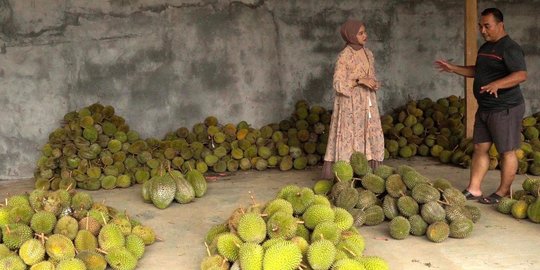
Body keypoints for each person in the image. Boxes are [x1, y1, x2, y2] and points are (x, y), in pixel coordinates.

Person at [435, 8, 527, 204]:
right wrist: (453, 68)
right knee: (479, 147)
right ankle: (474, 189)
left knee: (506, 151)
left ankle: (502, 192)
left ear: (500, 25)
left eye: (487, 26)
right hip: (485, 107)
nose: (483, 31)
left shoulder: (510, 48)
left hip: (505, 108)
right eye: (480, 26)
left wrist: (497, 84)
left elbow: (521, 75)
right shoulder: (485, 48)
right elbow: (477, 71)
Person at [322, 19, 385, 179]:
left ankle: (368, 175)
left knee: (369, 133)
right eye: (360, 33)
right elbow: (337, 84)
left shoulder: (368, 53)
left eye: (365, 32)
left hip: (368, 103)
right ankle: (347, 176)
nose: (365, 35)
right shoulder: (344, 56)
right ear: (350, 35)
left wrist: (373, 83)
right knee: (351, 137)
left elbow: (370, 76)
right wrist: (359, 81)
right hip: (350, 105)